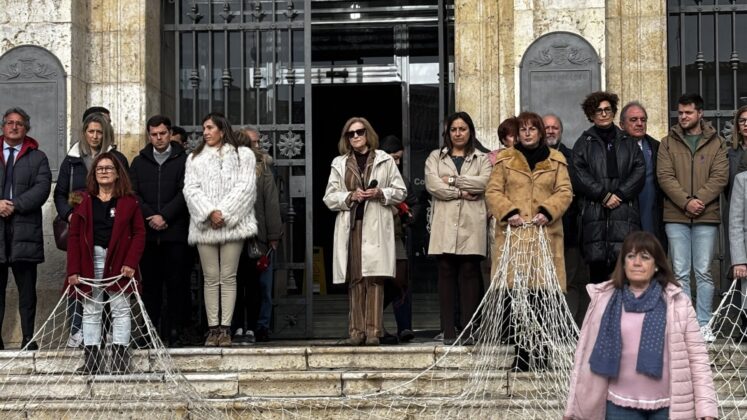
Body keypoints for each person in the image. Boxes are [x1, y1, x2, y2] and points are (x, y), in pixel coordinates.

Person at [564, 231, 718, 420]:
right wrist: (571, 407)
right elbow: (582, 357)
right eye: (631, 256)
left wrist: (706, 409)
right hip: (618, 406)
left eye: (645, 257)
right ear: (623, 263)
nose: (637, 262)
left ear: (656, 265)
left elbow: (698, 359)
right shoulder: (603, 300)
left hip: (668, 408)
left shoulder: (677, 302)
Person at [323, 117, 406, 346]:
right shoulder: (340, 163)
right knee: (355, 278)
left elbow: (401, 192)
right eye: (351, 134)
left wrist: (380, 193)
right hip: (352, 226)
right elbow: (329, 198)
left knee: (375, 278)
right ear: (346, 138)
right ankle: (356, 332)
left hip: (376, 224)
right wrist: (350, 196)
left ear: (368, 134)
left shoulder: (385, 160)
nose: (356, 136)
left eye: (360, 132)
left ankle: (374, 332)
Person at [54, 113, 129, 348]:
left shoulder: (116, 158)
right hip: (81, 229)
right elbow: (63, 193)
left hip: (108, 230)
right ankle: (77, 331)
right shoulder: (72, 159)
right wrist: (72, 213)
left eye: (99, 132)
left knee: (111, 286)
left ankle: (108, 334)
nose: (95, 136)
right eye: (91, 131)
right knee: (79, 279)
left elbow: (125, 189)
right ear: (84, 133)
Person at [66, 152, 145, 374]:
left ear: (118, 173)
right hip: (90, 262)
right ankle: (92, 361)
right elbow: (73, 237)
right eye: (99, 168)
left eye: (109, 168)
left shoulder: (129, 202)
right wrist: (73, 269)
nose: (104, 172)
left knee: (121, 309)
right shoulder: (82, 200)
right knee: (91, 310)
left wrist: (130, 263)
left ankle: (120, 360)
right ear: (94, 174)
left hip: (120, 264)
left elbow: (139, 234)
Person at [657, 93, 728, 341]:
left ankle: (704, 324)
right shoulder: (667, 143)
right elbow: (665, 176)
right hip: (676, 216)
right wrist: (686, 202)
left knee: (704, 271)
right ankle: (685, 325)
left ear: (700, 114)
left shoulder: (717, 142)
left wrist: (699, 201)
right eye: (680, 112)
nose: (683, 117)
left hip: (706, 216)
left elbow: (720, 176)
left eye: (688, 112)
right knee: (680, 272)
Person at [183, 112, 257, 347]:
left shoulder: (243, 155)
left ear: (222, 130)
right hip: (204, 226)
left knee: (229, 276)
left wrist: (223, 214)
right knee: (210, 277)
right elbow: (190, 189)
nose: (205, 132)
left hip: (232, 225)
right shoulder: (194, 158)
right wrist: (208, 213)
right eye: (204, 128)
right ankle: (212, 329)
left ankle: (225, 328)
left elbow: (246, 188)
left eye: (210, 127)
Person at [425, 111, 492, 345]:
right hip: (444, 226)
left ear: (470, 131)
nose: (458, 133)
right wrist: (462, 192)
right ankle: (448, 331)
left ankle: (469, 329)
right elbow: (433, 185)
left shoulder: (482, 158)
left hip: (471, 225)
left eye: (462, 129)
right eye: (453, 129)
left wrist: (451, 181)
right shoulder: (436, 157)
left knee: (469, 274)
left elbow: (485, 182)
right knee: (445, 274)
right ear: (448, 133)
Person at [129, 115, 190, 347]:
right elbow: (133, 193)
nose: (159, 138)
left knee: (176, 284)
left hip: (175, 233)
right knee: (151, 287)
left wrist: (165, 215)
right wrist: (150, 216)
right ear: (148, 135)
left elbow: (185, 192)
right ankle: (149, 332)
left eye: (162, 133)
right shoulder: (139, 162)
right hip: (148, 234)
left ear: (170, 133)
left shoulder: (184, 160)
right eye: (154, 134)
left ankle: (175, 331)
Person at [572, 91, 645, 284]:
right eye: (598, 111)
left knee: (624, 273)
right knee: (598, 278)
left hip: (624, 213)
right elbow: (578, 174)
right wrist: (603, 195)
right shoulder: (584, 143)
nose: (604, 114)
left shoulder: (628, 142)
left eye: (607, 109)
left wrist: (620, 194)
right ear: (591, 115)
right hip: (595, 214)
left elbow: (639, 170)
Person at [0, 107, 52, 350]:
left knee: (27, 292)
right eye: (9, 122)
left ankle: (28, 338)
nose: (14, 126)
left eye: (19, 123)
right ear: (3, 126)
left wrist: (14, 205)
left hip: (25, 232)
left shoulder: (37, 157)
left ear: (26, 128)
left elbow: (42, 189)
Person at [231, 126, 282, 344]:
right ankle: (236, 327)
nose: (255, 147)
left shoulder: (263, 169)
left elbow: (271, 203)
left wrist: (273, 234)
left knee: (256, 285)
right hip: (232, 235)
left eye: (257, 143)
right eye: (251, 143)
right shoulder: (226, 168)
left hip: (255, 236)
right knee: (234, 284)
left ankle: (254, 327)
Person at [544, 113, 589, 327]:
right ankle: (545, 327)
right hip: (538, 233)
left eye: (555, 128)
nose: (550, 131)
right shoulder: (528, 159)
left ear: (561, 131)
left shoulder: (572, 158)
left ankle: (567, 327)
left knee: (568, 281)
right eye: (546, 127)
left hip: (567, 231)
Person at [379, 134, 418, 343]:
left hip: (396, 236)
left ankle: (404, 327)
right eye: (393, 157)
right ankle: (374, 322)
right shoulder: (371, 176)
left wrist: (407, 217)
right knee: (379, 282)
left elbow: (414, 203)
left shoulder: (402, 180)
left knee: (400, 281)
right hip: (375, 238)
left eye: (399, 158)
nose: (397, 162)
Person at [619, 102, 666, 246]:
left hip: (651, 214)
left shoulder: (657, 147)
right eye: (633, 120)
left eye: (643, 119)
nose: (639, 123)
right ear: (621, 124)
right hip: (623, 216)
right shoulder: (614, 148)